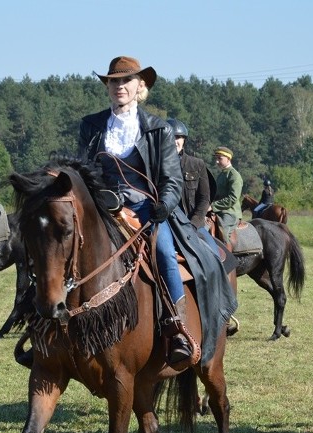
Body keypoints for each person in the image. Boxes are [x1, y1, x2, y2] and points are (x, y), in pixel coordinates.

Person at [78, 55, 236, 368]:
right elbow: (82, 167)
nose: (119, 86)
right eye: (113, 81)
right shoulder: (92, 125)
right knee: (57, 244)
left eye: (126, 81)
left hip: (145, 209)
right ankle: (45, 327)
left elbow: (172, 178)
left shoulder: (157, 129)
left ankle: (176, 326)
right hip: (100, 209)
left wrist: (164, 203)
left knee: (164, 252)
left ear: (140, 87)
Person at [166, 118, 213, 229]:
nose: (174, 141)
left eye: (178, 137)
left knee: (211, 246)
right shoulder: (153, 164)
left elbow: (204, 198)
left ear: (184, 141)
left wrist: (194, 223)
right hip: (164, 222)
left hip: (191, 222)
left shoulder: (197, 164)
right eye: (170, 137)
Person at [211, 146, 243, 241]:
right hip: (218, 210)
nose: (217, 161)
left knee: (222, 231)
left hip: (230, 212)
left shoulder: (234, 176)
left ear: (228, 159)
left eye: (220, 158)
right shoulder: (221, 175)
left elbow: (232, 198)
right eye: (216, 158)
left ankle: (226, 254)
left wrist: (213, 206)